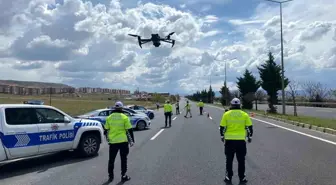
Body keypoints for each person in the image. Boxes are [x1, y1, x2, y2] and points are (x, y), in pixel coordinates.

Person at [219, 98, 253, 184]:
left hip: (229, 141)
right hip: (241, 141)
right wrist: (249, 137)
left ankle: (228, 176)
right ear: (239, 105)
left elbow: (223, 127)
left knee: (229, 160)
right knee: (241, 160)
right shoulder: (245, 114)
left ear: (231, 105)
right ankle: (242, 177)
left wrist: (222, 136)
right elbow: (249, 127)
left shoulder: (226, 114)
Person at [104, 101, 135, 182]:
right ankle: (123, 176)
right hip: (123, 142)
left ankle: (111, 177)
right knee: (123, 159)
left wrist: (108, 139)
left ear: (114, 108)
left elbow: (106, 130)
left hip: (113, 142)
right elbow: (129, 130)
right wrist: (132, 141)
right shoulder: (124, 117)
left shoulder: (109, 117)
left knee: (111, 160)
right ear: (122, 108)